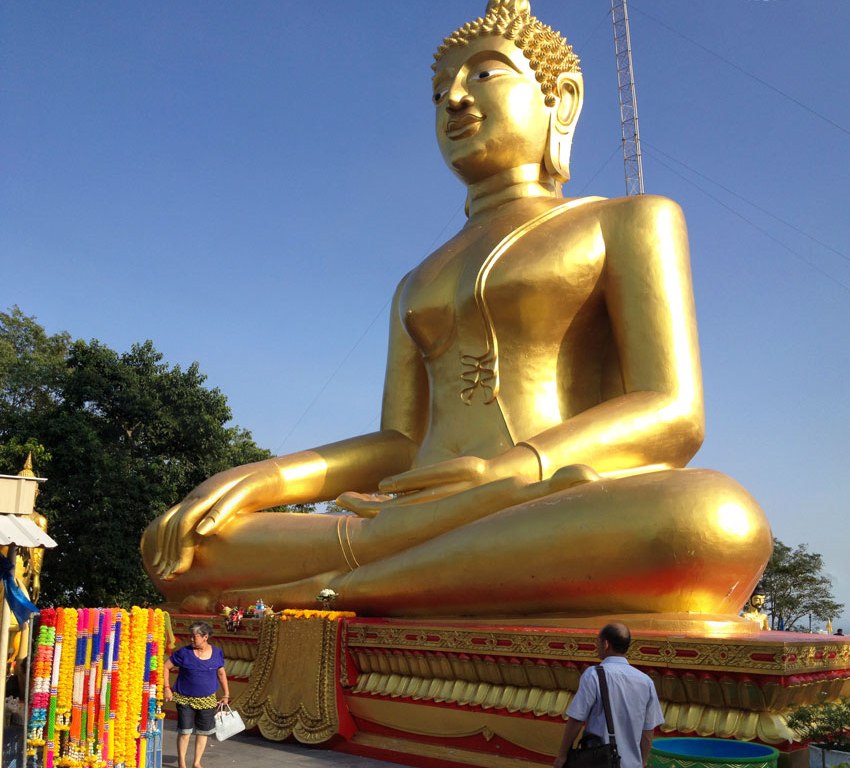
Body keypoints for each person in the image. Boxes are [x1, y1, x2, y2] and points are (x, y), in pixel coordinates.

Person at [141, 0, 771, 619]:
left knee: (712, 520)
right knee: (178, 544)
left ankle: (333, 592)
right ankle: (378, 577)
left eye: (485, 73)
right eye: (441, 89)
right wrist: (267, 478)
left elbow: (673, 412)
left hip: (539, 501)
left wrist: (508, 473)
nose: (455, 99)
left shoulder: (626, 221)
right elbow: (400, 443)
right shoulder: (416, 280)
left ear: (564, 99)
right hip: (409, 520)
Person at [553, 623, 664, 768]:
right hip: (631, 764)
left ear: (606, 644)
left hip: (599, 760)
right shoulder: (646, 681)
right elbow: (648, 730)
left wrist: (562, 755)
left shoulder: (594, 675)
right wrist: (642, 761)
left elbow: (576, 720)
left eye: (598, 642)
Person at [163, 621, 230, 768]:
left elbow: (221, 672)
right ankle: (182, 763)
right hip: (184, 698)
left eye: (194, 637)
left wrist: (226, 694)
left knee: (203, 732)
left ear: (205, 637)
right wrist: (167, 688)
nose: (191, 640)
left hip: (207, 699)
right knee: (185, 731)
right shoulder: (183, 653)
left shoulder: (217, 652)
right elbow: (166, 667)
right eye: (190, 637)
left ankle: (197, 762)